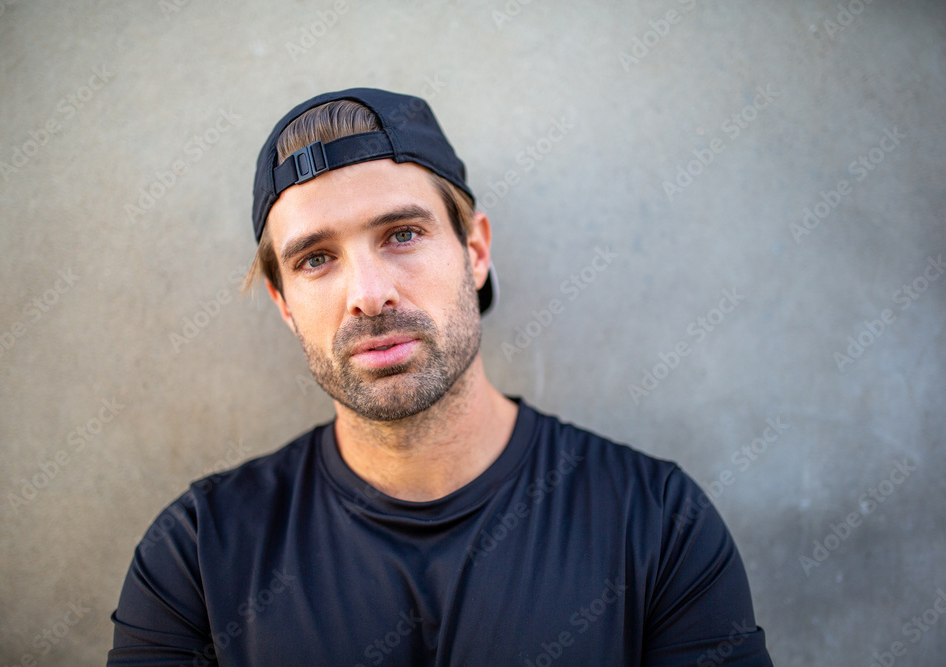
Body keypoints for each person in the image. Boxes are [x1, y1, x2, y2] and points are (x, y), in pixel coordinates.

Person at [108, 88, 773, 666]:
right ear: (284, 305)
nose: (368, 294)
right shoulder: (198, 555)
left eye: (401, 234)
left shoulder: (656, 524)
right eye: (315, 259)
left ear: (475, 252)